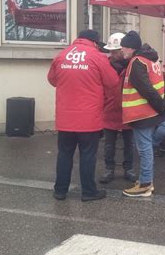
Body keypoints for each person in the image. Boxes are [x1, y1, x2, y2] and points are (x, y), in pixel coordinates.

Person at [47, 29, 119, 201]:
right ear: (95, 42)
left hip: (65, 118)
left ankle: (60, 190)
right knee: (87, 155)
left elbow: (52, 80)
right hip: (89, 118)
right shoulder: (97, 57)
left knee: (64, 154)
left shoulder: (61, 56)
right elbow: (113, 82)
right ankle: (88, 192)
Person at [120, 31, 165, 198]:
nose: (121, 51)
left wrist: (161, 107)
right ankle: (145, 181)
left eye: (123, 47)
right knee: (146, 148)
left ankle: (145, 184)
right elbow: (162, 82)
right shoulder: (151, 59)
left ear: (131, 48)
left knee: (144, 149)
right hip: (151, 112)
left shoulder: (136, 62)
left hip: (142, 114)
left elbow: (146, 89)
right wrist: (162, 107)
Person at [99, 32, 136, 184]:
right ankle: (109, 169)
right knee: (109, 144)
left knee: (129, 143)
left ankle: (129, 169)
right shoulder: (105, 65)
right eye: (111, 51)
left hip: (128, 110)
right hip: (110, 109)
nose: (111, 54)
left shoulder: (134, 65)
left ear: (123, 50)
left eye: (114, 51)